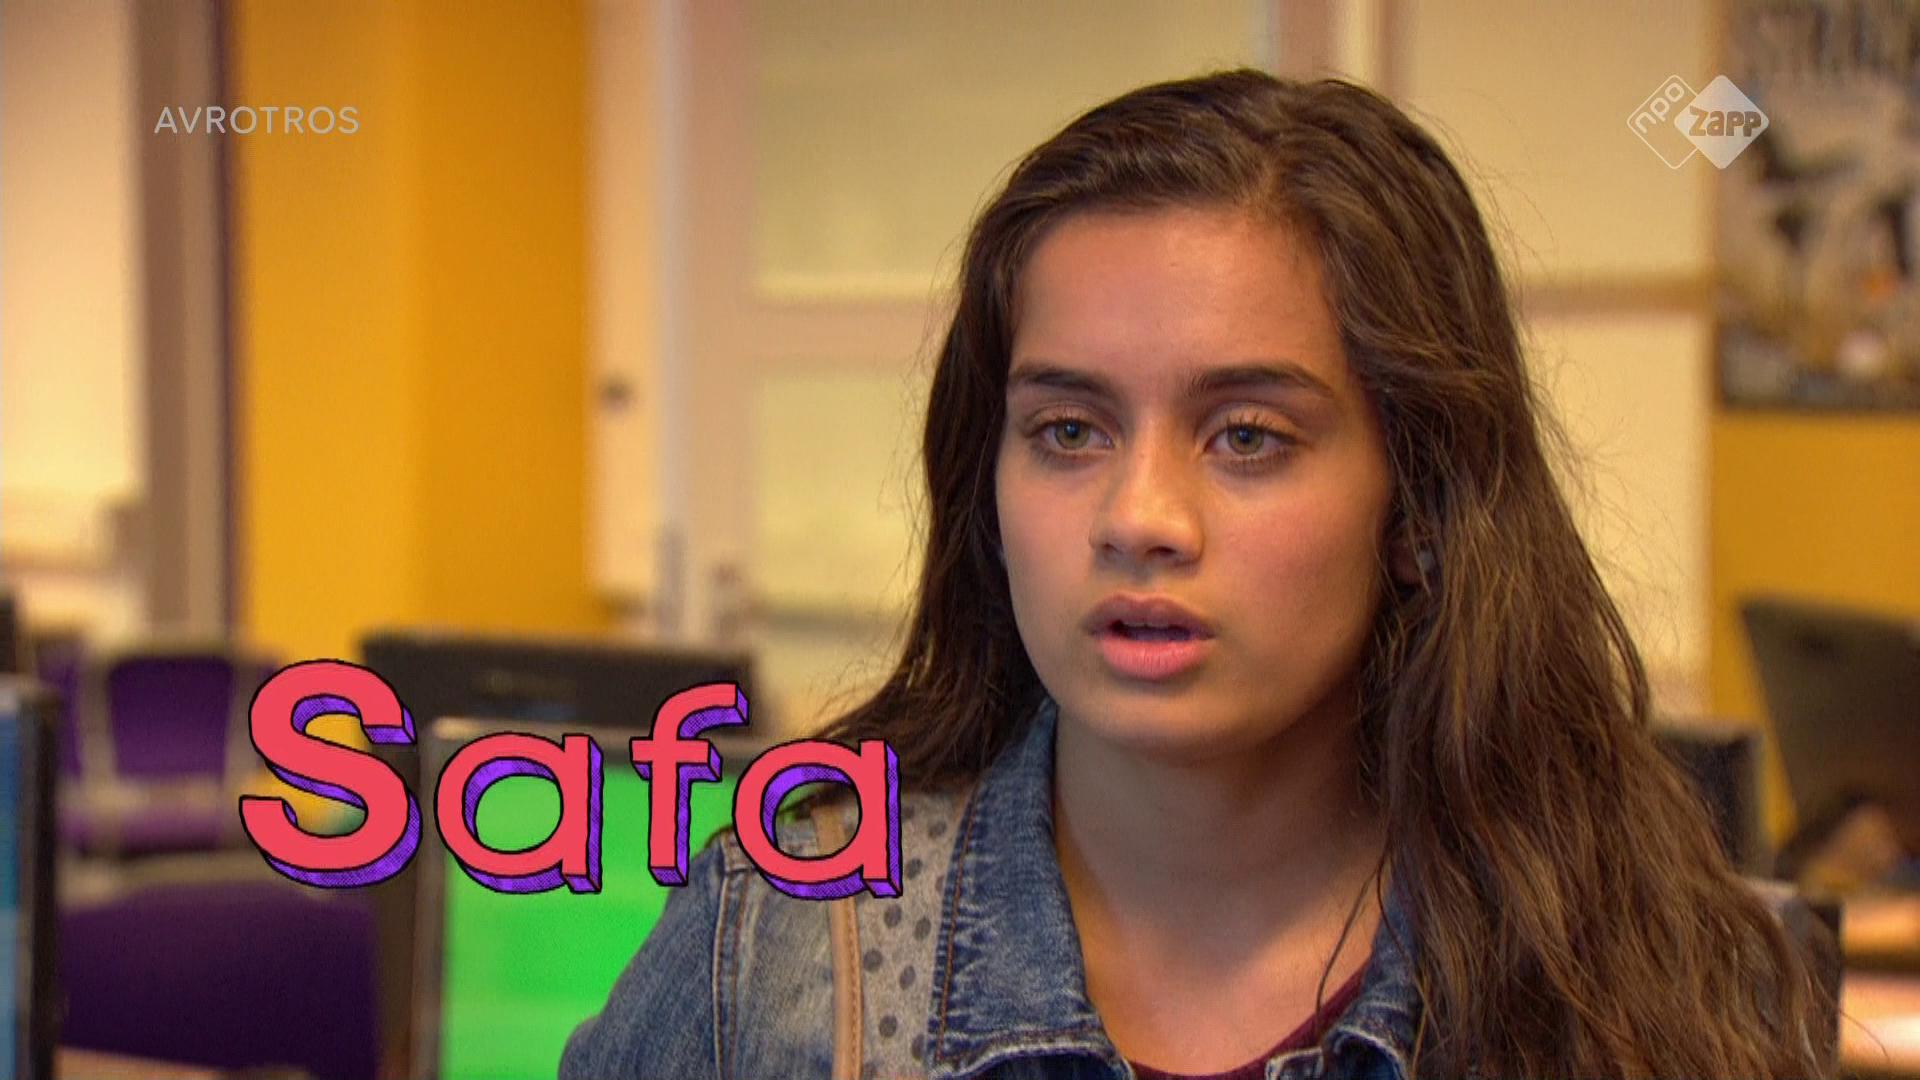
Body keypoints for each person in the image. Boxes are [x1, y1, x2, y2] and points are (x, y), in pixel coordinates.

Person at [562, 69, 1834, 1079]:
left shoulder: (1635, 976)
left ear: (1420, 502)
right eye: (1070, 431)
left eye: (1248, 438)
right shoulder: (779, 944)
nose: (1140, 518)